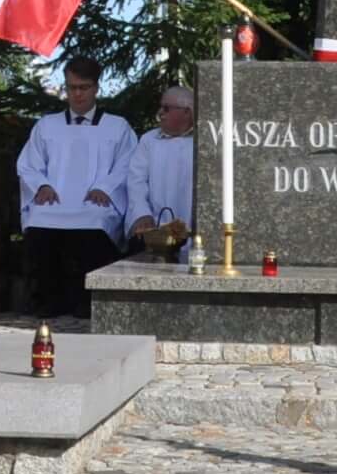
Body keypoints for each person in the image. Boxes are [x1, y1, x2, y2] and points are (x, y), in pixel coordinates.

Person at [15, 55, 133, 316]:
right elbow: (28, 164)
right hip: (54, 200)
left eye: (84, 87)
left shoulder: (117, 126)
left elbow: (127, 165)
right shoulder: (47, 125)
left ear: (96, 88)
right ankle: (46, 301)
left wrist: (105, 187)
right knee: (39, 217)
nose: (77, 94)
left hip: (95, 201)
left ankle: (86, 302)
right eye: (72, 88)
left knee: (96, 218)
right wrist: (41, 186)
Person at [124, 83, 199, 261]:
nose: (160, 113)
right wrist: (142, 213)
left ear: (186, 112)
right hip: (155, 226)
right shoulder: (149, 140)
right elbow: (136, 180)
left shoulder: (204, 140)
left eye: (166, 108)